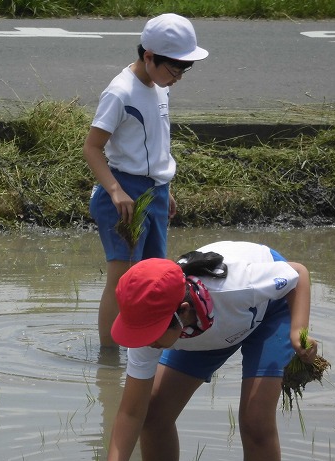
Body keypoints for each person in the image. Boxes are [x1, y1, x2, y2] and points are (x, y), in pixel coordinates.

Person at [93, 241, 318, 461]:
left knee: (255, 419)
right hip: (211, 329)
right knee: (154, 415)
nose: (144, 343)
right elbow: (131, 411)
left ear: (183, 311)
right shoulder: (148, 326)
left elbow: (298, 274)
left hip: (269, 309)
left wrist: (299, 330)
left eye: (150, 333)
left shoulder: (237, 286)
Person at [83, 13, 208, 348]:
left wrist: (163, 189)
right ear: (149, 56)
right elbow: (92, 148)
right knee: (122, 280)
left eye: (185, 69)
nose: (179, 77)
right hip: (122, 198)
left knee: (156, 279)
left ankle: (147, 349)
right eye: (174, 68)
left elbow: (156, 143)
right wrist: (115, 191)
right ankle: (109, 359)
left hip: (154, 194)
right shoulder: (120, 92)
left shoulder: (159, 86)